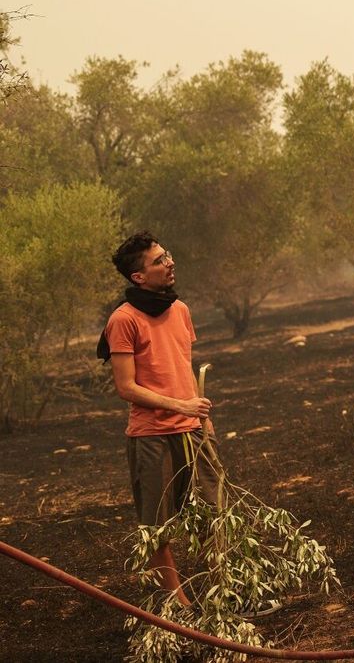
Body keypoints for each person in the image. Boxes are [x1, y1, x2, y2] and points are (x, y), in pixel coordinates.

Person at [96, 232, 223, 606]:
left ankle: (223, 598)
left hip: (195, 432)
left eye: (167, 255)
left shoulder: (180, 309)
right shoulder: (123, 320)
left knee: (217, 517)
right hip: (151, 437)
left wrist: (202, 420)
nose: (170, 263)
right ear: (138, 277)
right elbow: (126, 387)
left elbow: (180, 365)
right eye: (159, 261)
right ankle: (181, 607)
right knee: (158, 529)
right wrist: (179, 406)